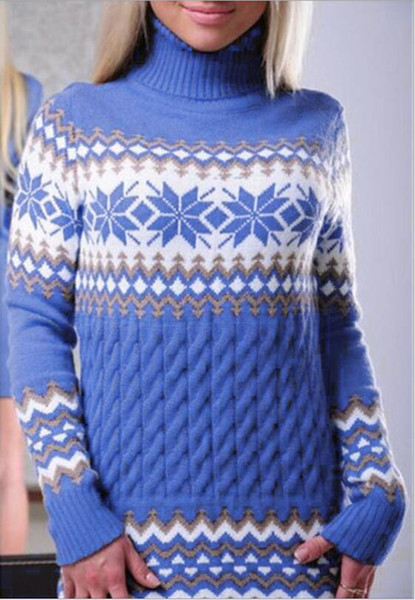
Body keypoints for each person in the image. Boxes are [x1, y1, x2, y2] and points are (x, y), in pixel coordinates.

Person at [4, 1, 408, 598]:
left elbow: (336, 328)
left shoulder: (318, 127)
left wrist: (379, 484)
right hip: (123, 564)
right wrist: (74, 508)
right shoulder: (73, 126)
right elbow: (35, 323)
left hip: (300, 558)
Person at [0, 1, 43, 555]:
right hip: (6, 299)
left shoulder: (24, 96)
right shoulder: (21, 95)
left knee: (8, 465)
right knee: (8, 467)